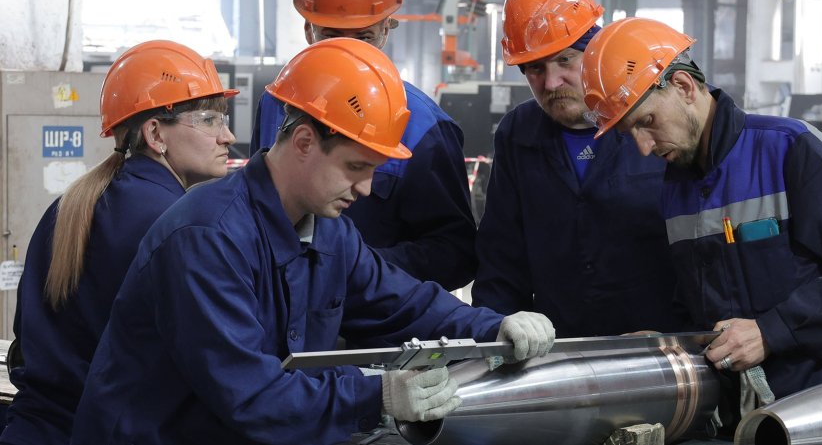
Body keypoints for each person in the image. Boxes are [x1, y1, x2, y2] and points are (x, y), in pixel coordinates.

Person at [70, 38, 554, 445]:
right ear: (303, 142)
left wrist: (496, 327)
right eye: (356, 167)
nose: (365, 189)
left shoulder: (330, 232)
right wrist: (379, 396)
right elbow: (252, 396)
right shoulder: (207, 238)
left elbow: (405, 305)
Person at [581, 17, 822, 439]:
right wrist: (672, 340)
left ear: (683, 87)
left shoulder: (787, 148)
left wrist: (772, 332)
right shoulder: (677, 187)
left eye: (645, 122)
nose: (643, 147)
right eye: (631, 135)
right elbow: (704, 307)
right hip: (747, 422)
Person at [0, 40, 238, 445]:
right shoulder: (176, 225)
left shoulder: (69, 206)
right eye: (209, 119)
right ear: (155, 133)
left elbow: (27, 337)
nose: (228, 136)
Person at [472, 0, 681, 338]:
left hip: (663, 345)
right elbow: (501, 258)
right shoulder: (518, 134)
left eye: (565, 59)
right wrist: (495, 339)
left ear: (595, 50)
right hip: (560, 349)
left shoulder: (655, 118)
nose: (551, 82)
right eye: (535, 68)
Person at [249, 0, 476, 290]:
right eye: (331, 36)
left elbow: (455, 254)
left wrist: (349, 271)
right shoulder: (276, 102)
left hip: (373, 327)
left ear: (386, 29)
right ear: (307, 30)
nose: (348, 53)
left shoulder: (424, 127)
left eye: (363, 37)